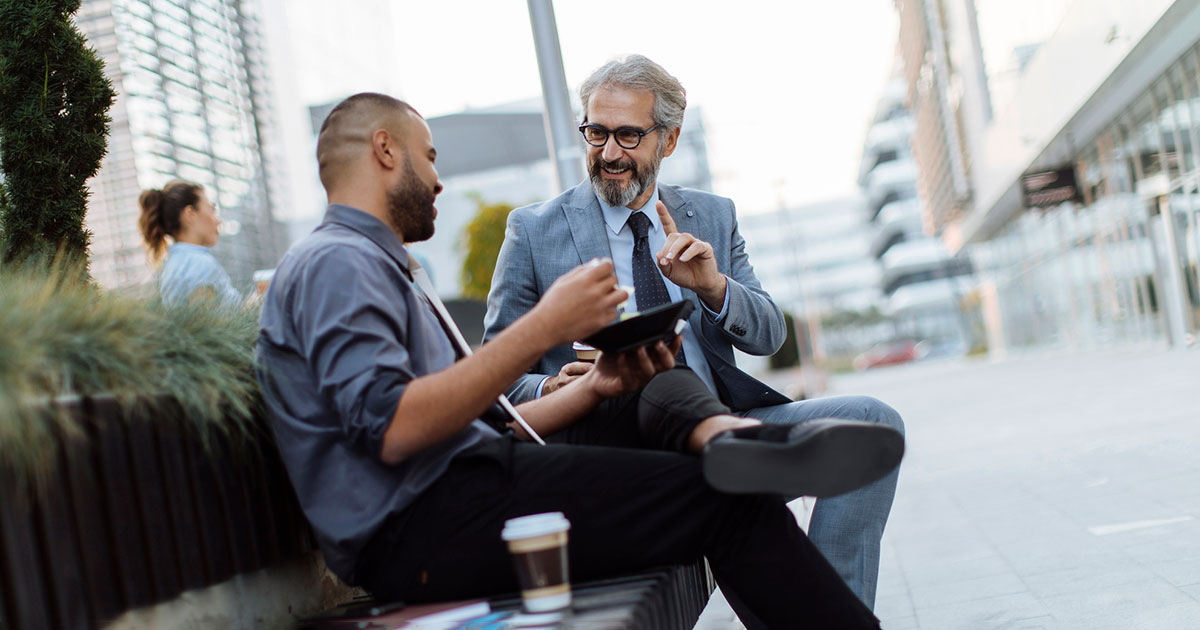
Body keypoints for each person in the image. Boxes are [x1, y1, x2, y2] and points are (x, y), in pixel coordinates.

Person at [255, 92, 898, 629]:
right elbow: (395, 428)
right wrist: (544, 328)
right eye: (428, 158)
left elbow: (480, 423)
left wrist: (596, 386)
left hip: (470, 488)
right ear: (385, 150)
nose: (438, 179)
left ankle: (720, 434)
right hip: (425, 530)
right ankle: (725, 447)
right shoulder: (336, 263)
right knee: (726, 498)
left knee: (640, 358)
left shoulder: (370, 264)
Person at [483, 54, 904, 608]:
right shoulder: (534, 231)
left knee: (874, 421)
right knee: (722, 482)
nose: (609, 153)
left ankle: (836, 603)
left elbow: (770, 336)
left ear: (670, 139)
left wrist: (714, 288)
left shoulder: (712, 215)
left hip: (729, 424)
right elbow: (495, 381)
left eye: (629, 136)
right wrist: (553, 386)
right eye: (597, 133)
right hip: (619, 443)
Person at [137, 180, 240, 306]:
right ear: (190, 214)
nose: (218, 221)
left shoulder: (174, 264)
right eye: (212, 210)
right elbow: (209, 323)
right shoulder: (199, 265)